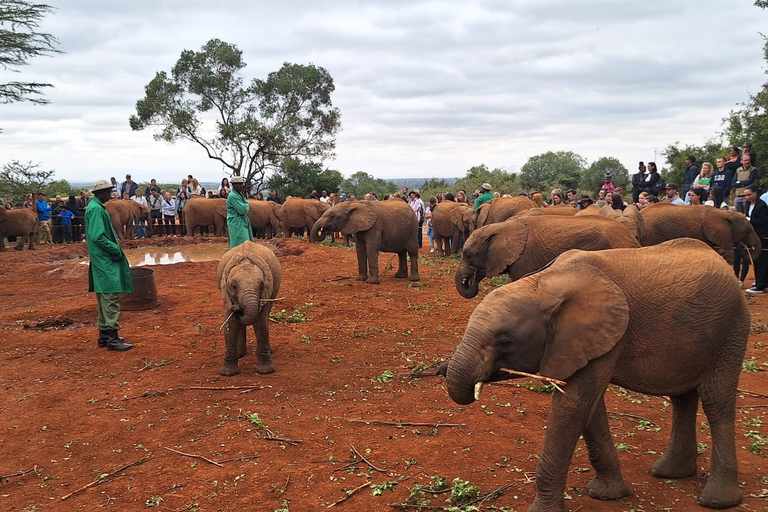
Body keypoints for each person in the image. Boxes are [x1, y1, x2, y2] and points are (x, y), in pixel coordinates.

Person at [84, 179, 133, 351]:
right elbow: (98, 236)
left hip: (100, 259)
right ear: (101, 193)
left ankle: (104, 335)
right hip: (105, 260)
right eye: (108, 191)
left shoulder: (94, 207)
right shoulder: (96, 209)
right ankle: (113, 338)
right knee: (110, 297)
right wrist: (116, 249)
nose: (110, 194)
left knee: (103, 297)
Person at [745, 184, 768, 294]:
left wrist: (749, 220)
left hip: (761, 236)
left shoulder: (761, 205)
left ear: (755, 193)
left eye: (749, 195)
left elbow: (763, 222)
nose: (747, 197)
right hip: (752, 235)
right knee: (756, 260)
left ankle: (760, 285)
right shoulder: (747, 204)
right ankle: (761, 281)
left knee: (761, 261)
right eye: (745, 195)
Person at [226, 176, 253, 249]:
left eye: (241, 184)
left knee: (245, 243)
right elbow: (243, 210)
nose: (241, 186)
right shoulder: (233, 196)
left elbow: (245, 207)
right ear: (234, 185)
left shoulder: (238, 194)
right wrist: (246, 205)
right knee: (240, 244)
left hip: (241, 222)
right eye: (239, 184)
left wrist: (245, 205)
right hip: (237, 223)